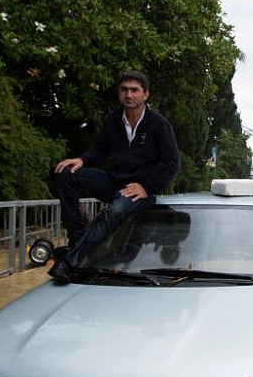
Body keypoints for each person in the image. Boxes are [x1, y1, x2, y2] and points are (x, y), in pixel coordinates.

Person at [49, 70, 181, 282]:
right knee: (66, 173)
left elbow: (173, 163)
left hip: (139, 190)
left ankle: (69, 263)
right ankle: (78, 237)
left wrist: (147, 187)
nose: (129, 95)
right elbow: (100, 151)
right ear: (119, 93)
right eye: (124, 89)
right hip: (114, 182)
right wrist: (81, 160)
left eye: (134, 90)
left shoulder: (158, 124)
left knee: (114, 211)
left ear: (145, 94)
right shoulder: (112, 120)